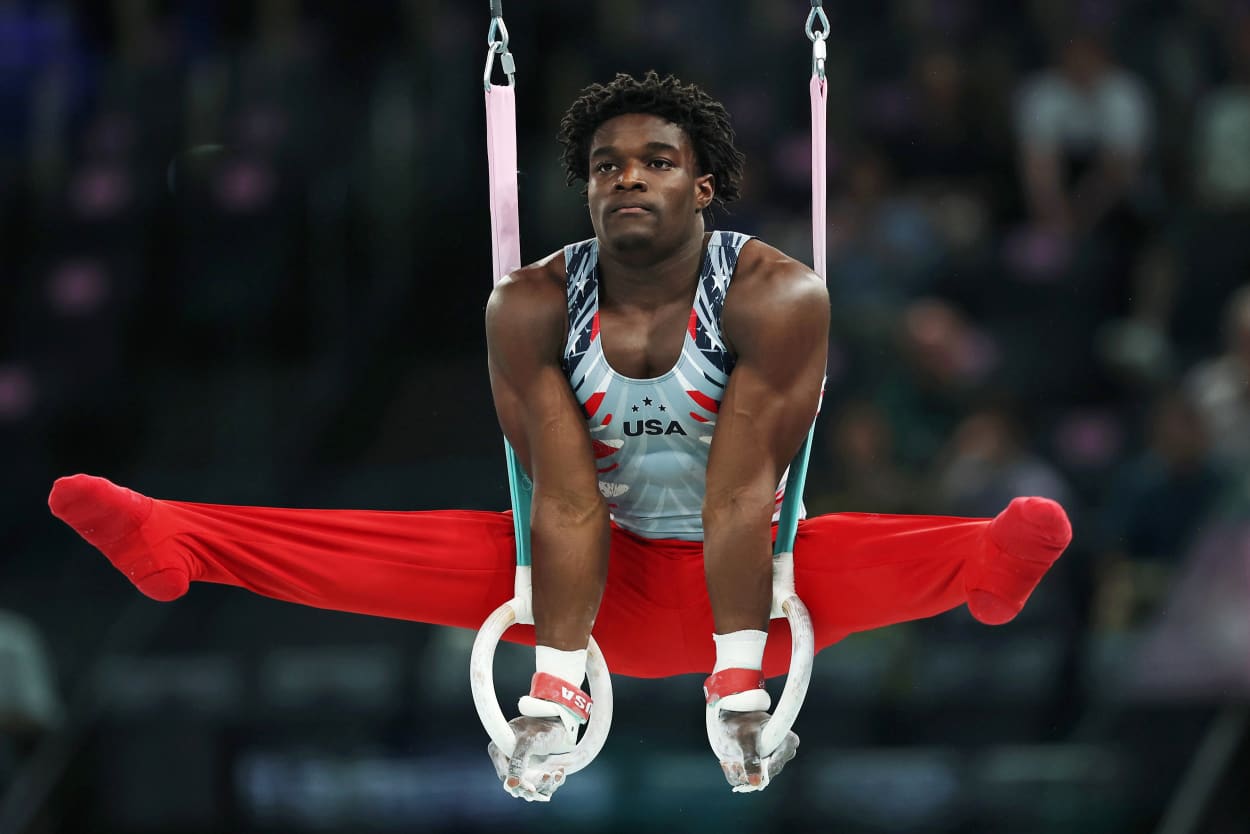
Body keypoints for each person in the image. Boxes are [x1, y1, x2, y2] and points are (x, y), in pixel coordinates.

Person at [47, 72, 1072, 802]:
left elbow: (738, 489)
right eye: (604, 164)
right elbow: (568, 502)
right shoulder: (530, 303)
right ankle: (176, 539)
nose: (626, 177)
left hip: (758, 580)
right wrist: (549, 686)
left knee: (838, 545)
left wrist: (735, 682)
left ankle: (982, 567)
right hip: (587, 578)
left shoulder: (776, 293)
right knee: (451, 545)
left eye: (656, 161)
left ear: (702, 185)